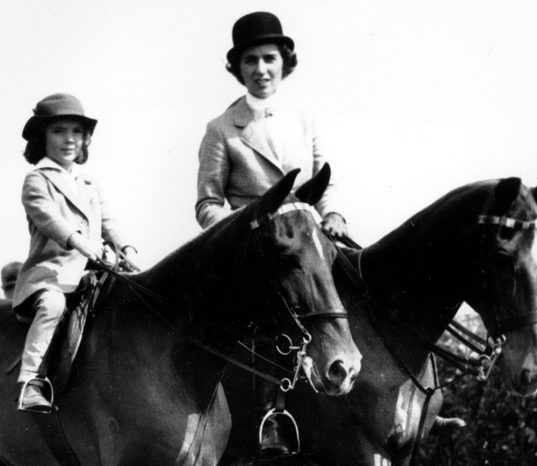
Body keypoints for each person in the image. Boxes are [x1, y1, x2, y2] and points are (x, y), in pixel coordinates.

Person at [195, 11, 348, 457]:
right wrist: (239, 231)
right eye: (250, 62)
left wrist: (334, 212)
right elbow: (207, 202)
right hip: (259, 245)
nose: (261, 70)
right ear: (237, 69)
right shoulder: (222, 129)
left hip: (309, 237)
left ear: (284, 63)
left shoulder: (304, 116)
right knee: (269, 314)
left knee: (355, 282)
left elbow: (327, 177)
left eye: (269, 59)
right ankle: (273, 414)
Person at [13, 93, 129, 413]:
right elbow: (49, 220)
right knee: (52, 304)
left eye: (76, 132)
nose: (69, 139)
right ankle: (30, 381)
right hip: (50, 273)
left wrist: (127, 248)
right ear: (42, 137)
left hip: (92, 272)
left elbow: (108, 221)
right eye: (59, 131)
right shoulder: (37, 179)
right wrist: (82, 242)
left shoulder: (89, 182)